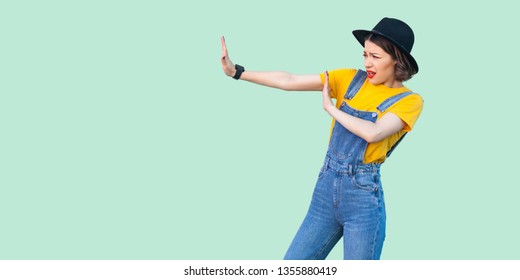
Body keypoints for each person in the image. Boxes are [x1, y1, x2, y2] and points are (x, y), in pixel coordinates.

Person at [220, 17, 423, 260]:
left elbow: (374, 132)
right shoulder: (351, 79)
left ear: (397, 60)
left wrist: (332, 109)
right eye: (365, 55)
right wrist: (237, 72)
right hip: (325, 192)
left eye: (376, 57)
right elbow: (289, 81)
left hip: (363, 198)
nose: (368, 63)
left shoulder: (409, 101)